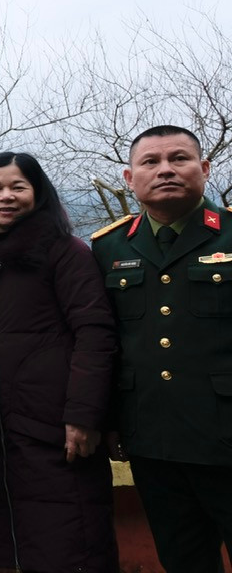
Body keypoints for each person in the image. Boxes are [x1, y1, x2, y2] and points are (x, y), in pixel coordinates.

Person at [0, 152, 118, 571]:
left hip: (55, 426)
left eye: (18, 187)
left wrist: (84, 415)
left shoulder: (65, 251)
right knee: (13, 547)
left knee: (72, 543)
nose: (6, 197)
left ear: (38, 193)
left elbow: (95, 333)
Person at [91, 125, 232, 572]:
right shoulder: (108, 247)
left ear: (205, 169)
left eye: (179, 159)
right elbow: (104, 342)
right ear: (130, 178)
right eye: (150, 162)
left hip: (227, 434)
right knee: (183, 559)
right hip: (153, 438)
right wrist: (111, 421)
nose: (165, 169)